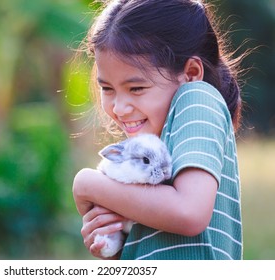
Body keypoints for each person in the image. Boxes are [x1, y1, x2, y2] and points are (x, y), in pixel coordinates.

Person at [72, 0, 245, 260]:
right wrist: (114, 242)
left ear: (190, 73)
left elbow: (189, 213)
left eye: (137, 88)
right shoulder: (158, 146)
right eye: (107, 89)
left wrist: (86, 184)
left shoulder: (197, 97)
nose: (119, 108)